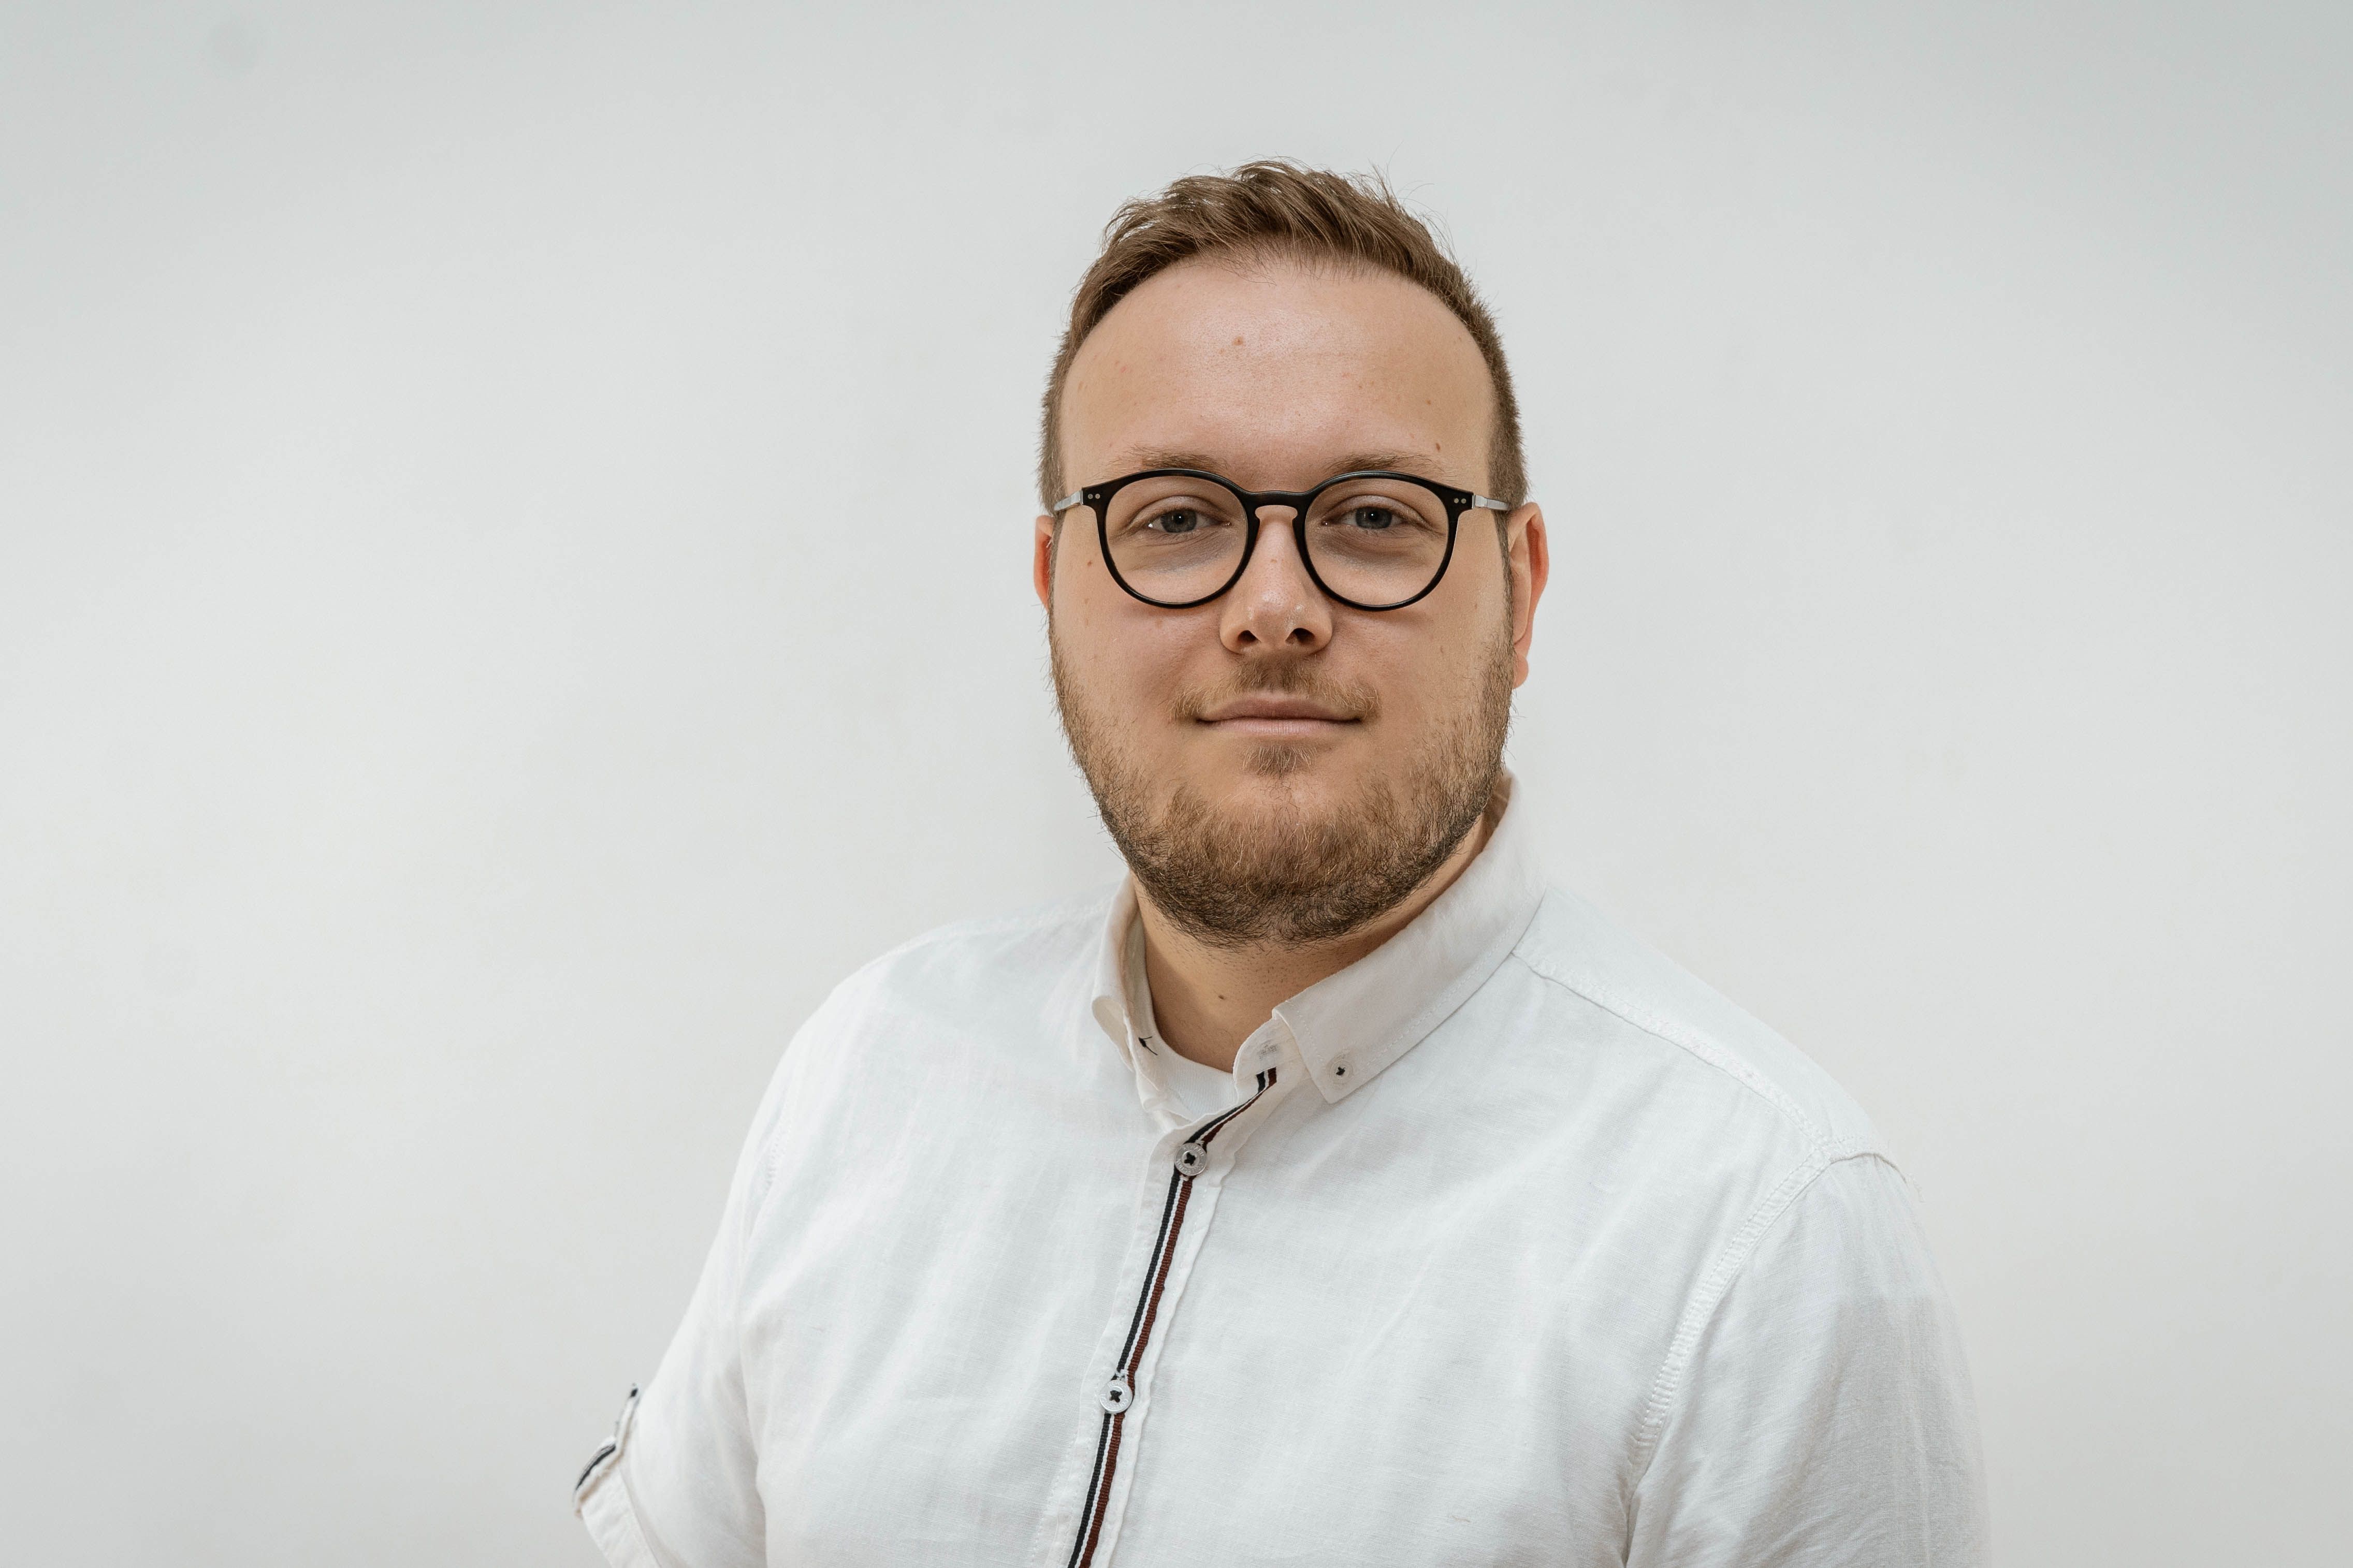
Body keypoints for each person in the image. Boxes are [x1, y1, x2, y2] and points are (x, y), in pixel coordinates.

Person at [574, 160, 1987, 1566]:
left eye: (1374, 517)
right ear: (1054, 588)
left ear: (1521, 591)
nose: (1271, 608)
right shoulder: (866, 1075)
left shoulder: (1767, 1232)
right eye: (1175, 518)